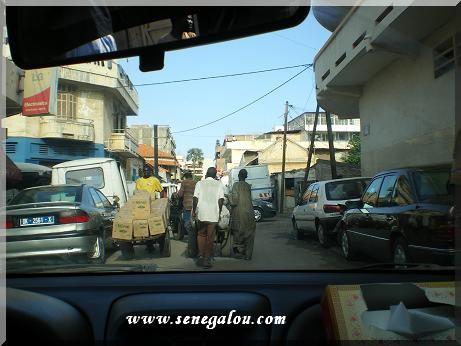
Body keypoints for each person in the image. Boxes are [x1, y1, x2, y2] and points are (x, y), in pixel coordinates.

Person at [192, 167, 225, 269]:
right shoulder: (219, 184)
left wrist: (194, 211)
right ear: (215, 175)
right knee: (210, 237)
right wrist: (218, 212)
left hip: (201, 213)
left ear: (206, 174)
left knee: (201, 234)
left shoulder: (199, 183)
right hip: (213, 214)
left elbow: (195, 198)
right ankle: (207, 260)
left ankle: (200, 255)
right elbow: (221, 200)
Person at [228, 169, 256, 260]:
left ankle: (238, 253)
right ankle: (248, 255)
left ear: (239, 175)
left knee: (238, 233)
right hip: (250, 212)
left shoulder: (236, 185)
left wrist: (228, 195)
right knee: (249, 234)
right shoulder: (248, 186)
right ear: (246, 176)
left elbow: (234, 201)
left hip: (239, 213)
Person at [178, 171, 196, 237]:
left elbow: (180, 194)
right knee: (194, 222)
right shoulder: (195, 183)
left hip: (187, 205)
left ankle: (191, 237)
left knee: (187, 222)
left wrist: (177, 194)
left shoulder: (184, 182)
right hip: (195, 205)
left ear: (185, 177)